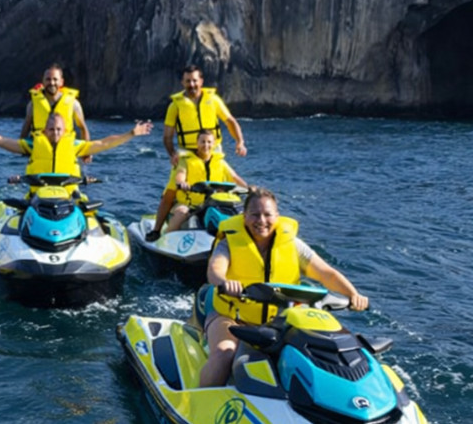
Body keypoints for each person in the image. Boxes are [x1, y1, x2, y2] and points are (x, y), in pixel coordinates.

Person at [199, 187, 369, 387]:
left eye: (267, 215)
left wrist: (353, 294)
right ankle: (196, 405)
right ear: (244, 216)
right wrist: (224, 282)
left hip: (280, 322)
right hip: (232, 318)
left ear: (277, 216)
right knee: (224, 354)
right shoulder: (228, 243)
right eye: (254, 214)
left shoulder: (293, 245)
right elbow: (215, 269)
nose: (261, 221)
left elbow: (326, 273)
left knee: (326, 351)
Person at [146, 65, 247, 241]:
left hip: (211, 150)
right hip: (186, 153)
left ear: (201, 81)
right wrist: (172, 155)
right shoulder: (175, 106)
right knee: (171, 191)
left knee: (223, 187)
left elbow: (230, 120)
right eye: (188, 81)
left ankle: (221, 226)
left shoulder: (213, 100)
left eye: (194, 80)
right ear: (182, 83)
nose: (192, 84)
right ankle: (157, 230)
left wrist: (240, 142)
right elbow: (168, 136)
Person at [0, 114, 152, 193]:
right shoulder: (33, 145)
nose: (55, 133)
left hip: (69, 197)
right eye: (51, 129)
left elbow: (104, 143)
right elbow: (0, 141)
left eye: (58, 129)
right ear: (45, 131)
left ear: (64, 131)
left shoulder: (74, 145)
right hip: (37, 197)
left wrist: (131, 133)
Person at [165, 130, 247, 233]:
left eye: (209, 142)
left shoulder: (220, 162)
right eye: (202, 141)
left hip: (213, 203)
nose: (206, 145)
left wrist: (247, 188)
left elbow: (234, 177)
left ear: (213, 144)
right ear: (197, 143)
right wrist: (182, 183)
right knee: (182, 212)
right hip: (188, 203)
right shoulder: (186, 160)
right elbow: (180, 174)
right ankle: (166, 236)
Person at [19, 64, 90, 150]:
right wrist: (21, 150)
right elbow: (26, 128)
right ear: (43, 82)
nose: (52, 83)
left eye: (55, 79)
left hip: (65, 147)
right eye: (48, 79)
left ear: (61, 82)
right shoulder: (33, 104)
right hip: (40, 147)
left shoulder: (74, 104)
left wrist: (86, 151)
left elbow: (83, 128)